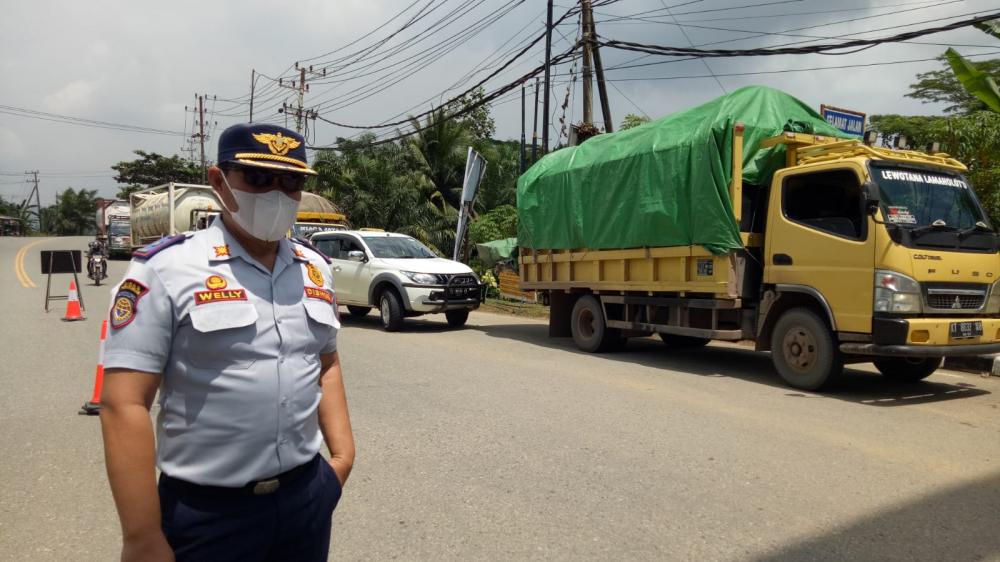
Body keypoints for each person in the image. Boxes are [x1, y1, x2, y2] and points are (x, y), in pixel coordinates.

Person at [100, 123, 355, 562]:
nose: (276, 193)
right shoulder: (167, 269)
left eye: (291, 181)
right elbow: (124, 403)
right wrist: (141, 537)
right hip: (208, 513)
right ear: (219, 181)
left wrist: (342, 459)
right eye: (257, 178)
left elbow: (325, 363)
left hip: (306, 497)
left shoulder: (316, 269)